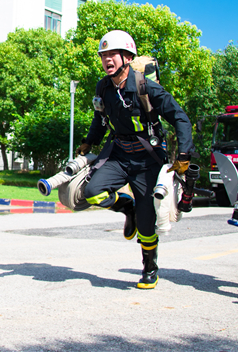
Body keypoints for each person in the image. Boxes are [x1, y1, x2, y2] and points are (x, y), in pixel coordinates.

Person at [76, 30, 194, 289]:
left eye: (112, 54)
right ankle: (126, 207)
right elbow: (99, 118)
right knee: (92, 192)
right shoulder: (103, 87)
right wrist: (89, 141)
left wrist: (184, 154)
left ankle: (150, 268)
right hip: (118, 155)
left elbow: (180, 117)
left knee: (147, 222)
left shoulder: (146, 87)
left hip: (147, 160)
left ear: (127, 57)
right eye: (103, 55)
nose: (107, 60)